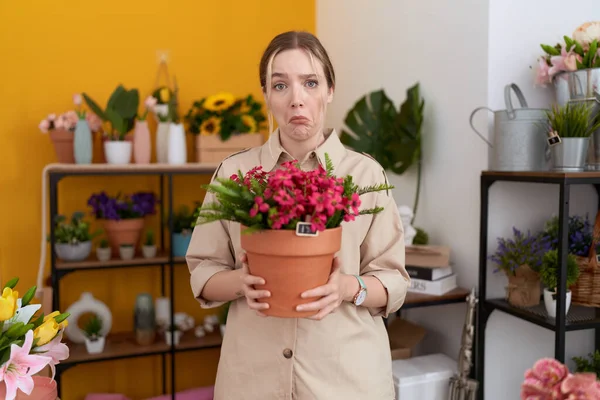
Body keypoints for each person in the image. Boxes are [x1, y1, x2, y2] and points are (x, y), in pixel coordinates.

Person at [186, 30, 410, 400]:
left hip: (346, 382)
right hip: (253, 380)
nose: (296, 99)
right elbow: (203, 271)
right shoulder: (234, 176)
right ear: (266, 95)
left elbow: (395, 282)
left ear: (329, 90)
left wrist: (346, 288)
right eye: (280, 85)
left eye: (310, 82)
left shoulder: (366, 175)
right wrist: (242, 282)